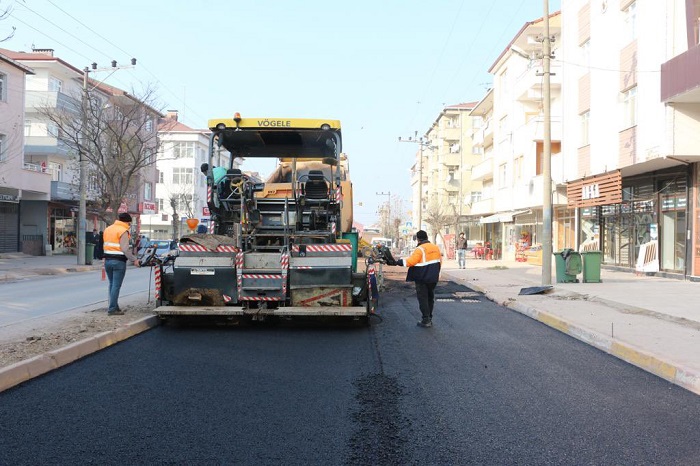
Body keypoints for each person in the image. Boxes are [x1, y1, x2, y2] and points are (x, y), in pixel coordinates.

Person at [389, 230, 442, 328]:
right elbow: (439, 261)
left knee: (423, 298)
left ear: (418, 239)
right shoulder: (435, 248)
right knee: (430, 297)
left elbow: (411, 262)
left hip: (422, 277)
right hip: (433, 277)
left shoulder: (420, 249)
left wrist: (398, 262)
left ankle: (426, 320)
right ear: (426, 237)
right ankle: (429, 317)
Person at [103, 213, 140, 316]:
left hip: (108, 260)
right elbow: (125, 249)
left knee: (111, 284)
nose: (129, 225)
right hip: (118, 261)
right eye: (129, 223)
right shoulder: (123, 231)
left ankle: (114, 306)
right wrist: (134, 259)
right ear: (127, 222)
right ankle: (112, 309)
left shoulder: (108, 229)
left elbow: (106, 245)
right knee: (116, 285)